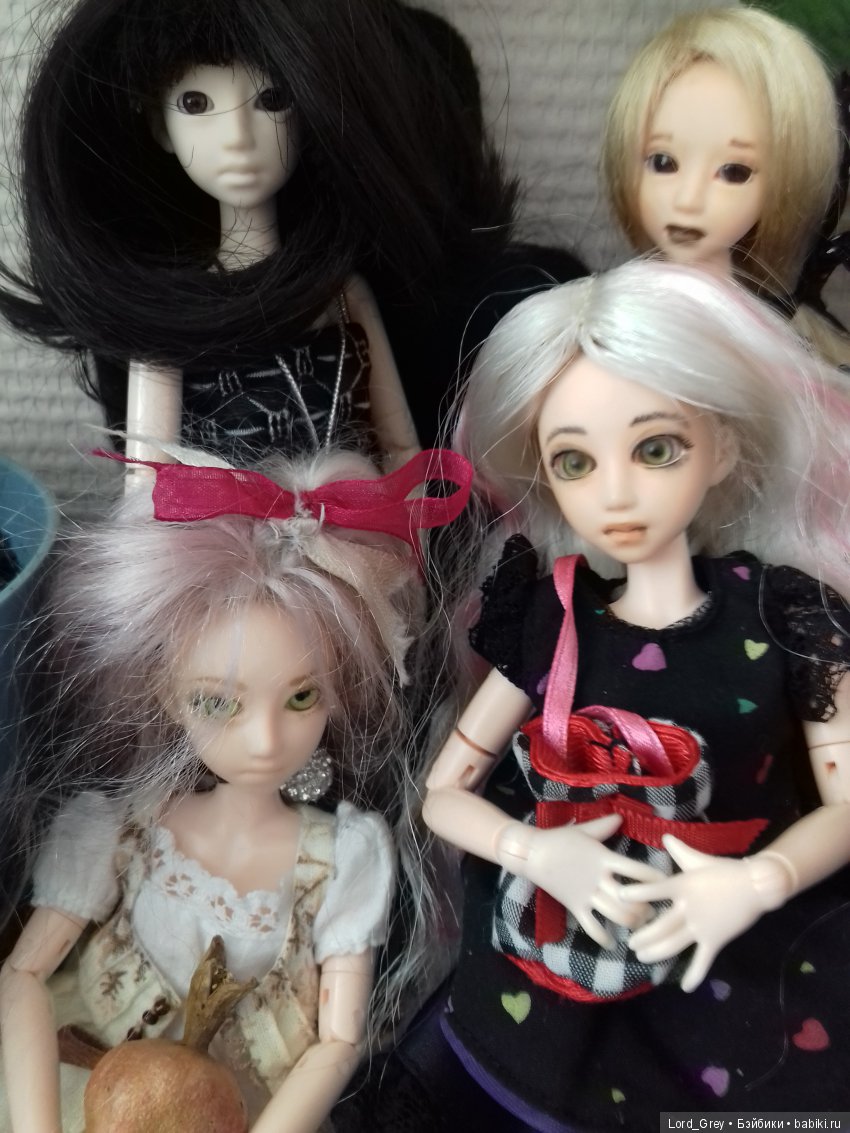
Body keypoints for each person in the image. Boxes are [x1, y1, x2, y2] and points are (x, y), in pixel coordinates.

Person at [347, 261, 850, 1131]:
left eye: (656, 449)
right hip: (556, 959)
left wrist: (756, 881)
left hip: (730, 959)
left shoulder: (784, 615)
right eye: (575, 461)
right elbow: (442, 794)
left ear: (724, 447)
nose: (615, 493)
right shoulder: (548, 613)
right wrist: (537, 853)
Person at [0, 445, 471, 1133]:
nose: (266, 740)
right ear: (166, 693)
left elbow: (338, 1043)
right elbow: (21, 976)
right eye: (219, 702)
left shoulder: (344, 857)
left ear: (339, 694)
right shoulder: (119, 826)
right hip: (91, 1075)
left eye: (302, 697)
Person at [0, 0, 571, 468]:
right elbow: (148, 475)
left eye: (272, 101)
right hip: (223, 543)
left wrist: (411, 523)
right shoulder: (168, 308)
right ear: (161, 129)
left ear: (313, 116)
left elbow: (399, 444)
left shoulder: (340, 292)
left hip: (350, 519)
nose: (238, 138)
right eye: (196, 104)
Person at [602, 6, 850, 365]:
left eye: (734, 172)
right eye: (663, 163)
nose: (688, 200)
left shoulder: (768, 341)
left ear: (786, 180)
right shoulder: (616, 315)